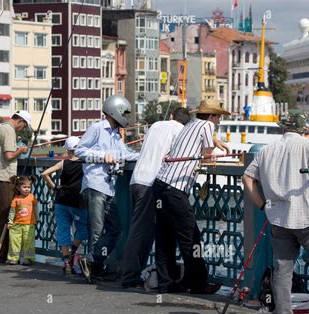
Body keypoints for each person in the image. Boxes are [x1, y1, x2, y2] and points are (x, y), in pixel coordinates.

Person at [242, 110, 309, 314]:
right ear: (303, 129)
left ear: (283, 127)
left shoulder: (266, 151)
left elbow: (247, 178)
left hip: (279, 219)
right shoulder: (308, 145)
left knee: (282, 271)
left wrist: (262, 205)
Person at [153, 99, 228, 294]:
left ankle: (166, 283)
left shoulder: (190, 124)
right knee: (191, 238)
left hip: (161, 184)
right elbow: (207, 156)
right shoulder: (207, 125)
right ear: (211, 116)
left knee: (165, 238)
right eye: (219, 116)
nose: (219, 120)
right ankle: (198, 284)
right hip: (175, 188)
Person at [121, 108, 190, 288]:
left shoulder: (156, 125)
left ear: (171, 116)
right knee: (141, 232)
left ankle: (138, 272)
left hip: (135, 180)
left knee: (141, 229)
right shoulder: (180, 131)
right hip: (151, 183)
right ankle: (129, 276)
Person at [74, 95, 139, 283]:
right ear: (114, 110)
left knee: (115, 228)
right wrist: (103, 156)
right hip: (95, 184)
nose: (126, 116)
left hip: (109, 186)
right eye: (125, 112)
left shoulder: (116, 132)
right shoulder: (97, 128)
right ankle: (94, 269)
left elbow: (124, 154)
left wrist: (146, 155)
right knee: (97, 229)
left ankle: (92, 261)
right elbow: (79, 151)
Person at [0, 110, 31, 260]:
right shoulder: (9, 131)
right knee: (5, 214)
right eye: (24, 126)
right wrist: (21, 150)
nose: (22, 129)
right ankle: (2, 253)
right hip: (4, 177)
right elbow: (9, 155)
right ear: (20, 121)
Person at [41, 136, 88, 275]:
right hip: (77, 202)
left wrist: (55, 187)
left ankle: (66, 262)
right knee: (83, 229)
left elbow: (44, 173)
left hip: (61, 200)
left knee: (63, 230)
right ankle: (74, 252)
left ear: (68, 150)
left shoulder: (63, 163)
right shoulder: (84, 163)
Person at [6, 175, 39, 266]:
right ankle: (13, 258)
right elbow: (12, 211)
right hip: (16, 224)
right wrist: (10, 221)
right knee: (14, 242)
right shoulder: (16, 199)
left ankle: (27, 258)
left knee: (28, 242)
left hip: (29, 224)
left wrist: (37, 218)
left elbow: (35, 208)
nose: (27, 189)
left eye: (29, 187)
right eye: (24, 187)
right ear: (18, 187)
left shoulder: (32, 197)